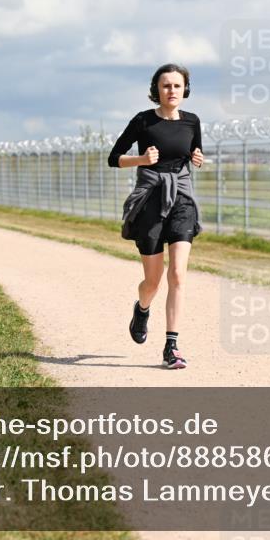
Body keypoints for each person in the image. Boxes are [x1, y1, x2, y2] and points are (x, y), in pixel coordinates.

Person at [108, 63, 205, 369]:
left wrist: (197, 157)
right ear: (157, 90)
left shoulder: (192, 122)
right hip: (150, 198)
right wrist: (141, 159)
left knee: (177, 274)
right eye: (166, 86)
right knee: (153, 280)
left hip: (182, 199)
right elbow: (114, 158)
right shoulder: (143, 121)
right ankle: (142, 308)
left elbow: (193, 152)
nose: (172, 91)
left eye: (177, 86)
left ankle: (172, 346)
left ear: (185, 89)